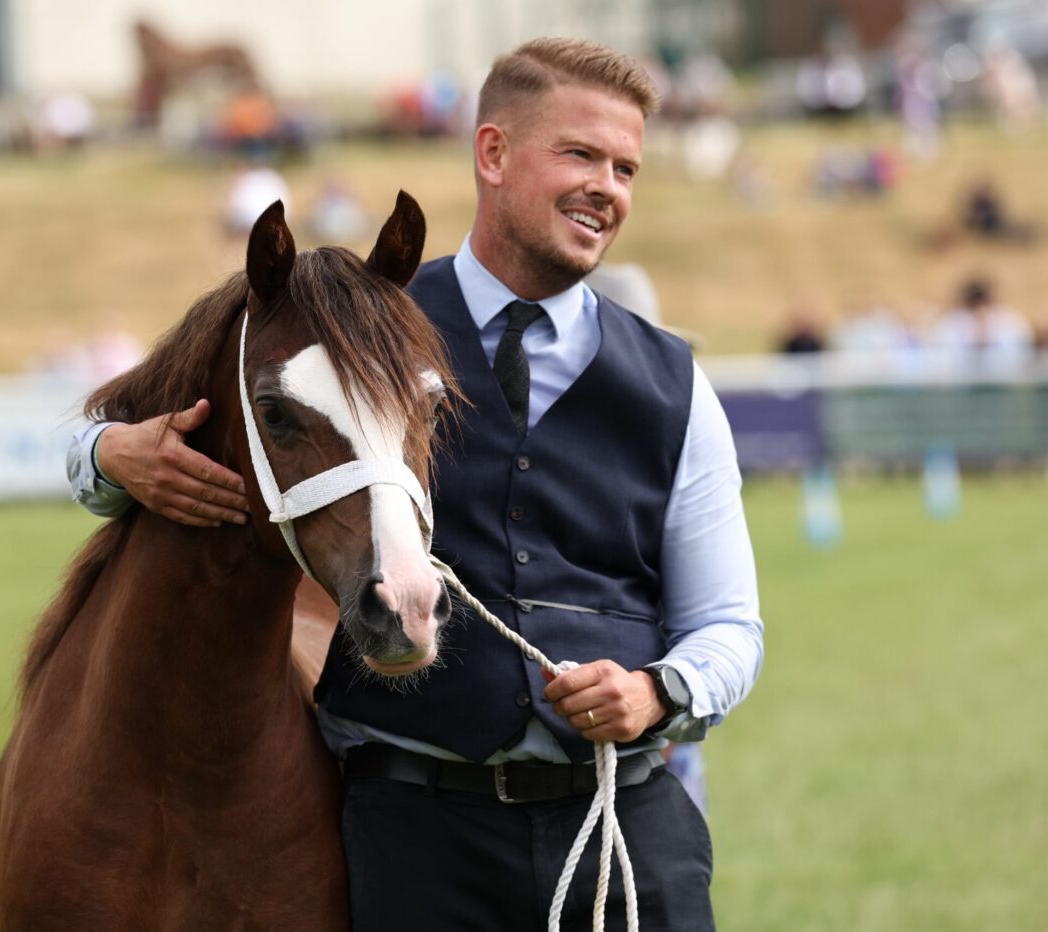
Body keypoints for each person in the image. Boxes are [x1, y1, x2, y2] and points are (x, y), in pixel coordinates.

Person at [68, 38, 762, 930]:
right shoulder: (350, 325)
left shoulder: (676, 385)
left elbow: (730, 628)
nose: (609, 187)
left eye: (626, 167)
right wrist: (102, 457)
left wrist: (658, 693)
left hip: (622, 831)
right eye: (580, 154)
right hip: (414, 844)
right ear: (493, 153)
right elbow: (133, 429)